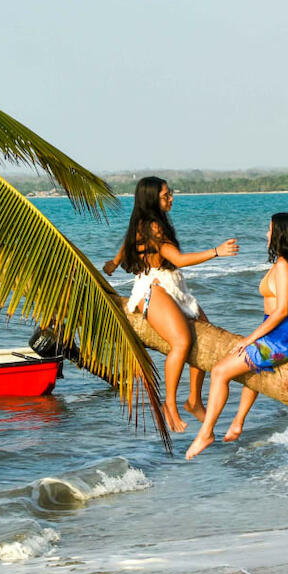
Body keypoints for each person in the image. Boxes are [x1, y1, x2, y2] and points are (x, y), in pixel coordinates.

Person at [102, 177, 237, 432]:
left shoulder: (147, 223)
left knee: (204, 336)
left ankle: (194, 400)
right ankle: (170, 404)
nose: (171, 198)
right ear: (153, 199)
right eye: (166, 195)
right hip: (153, 288)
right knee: (182, 341)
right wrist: (216, 252)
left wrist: (115, 262)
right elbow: (178, 258)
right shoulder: (152, 226)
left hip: (173, 285)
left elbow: (127, 242)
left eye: (170, 193)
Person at [185, 212, 288, 459]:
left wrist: (249, 339)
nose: (266, 234)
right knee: (250, 365)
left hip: (284, 338)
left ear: (280, 234)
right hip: (287, 333)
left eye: (269, 229)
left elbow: (280, 313)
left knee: (221, 371)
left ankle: (206, 432)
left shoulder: (285, 268)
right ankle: (237, 423)